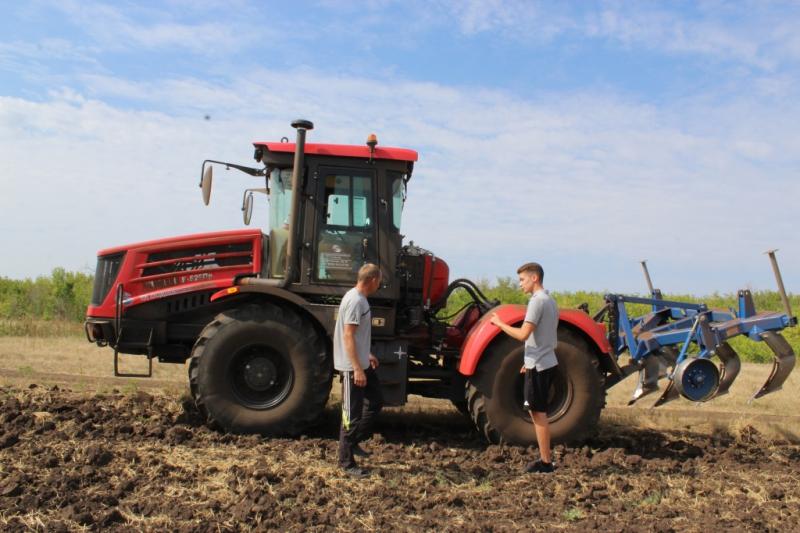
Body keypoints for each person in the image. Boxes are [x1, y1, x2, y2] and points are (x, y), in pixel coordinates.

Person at [490, 262, 558, 474]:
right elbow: (543, 337)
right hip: (543, 361)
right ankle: (545, 460)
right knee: (538, 413)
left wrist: (499, 324)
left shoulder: (537, 302)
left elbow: (522, 335)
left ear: (534, 278)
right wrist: (527, 361)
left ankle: (546, 462)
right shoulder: (550, 300)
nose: (520, 284)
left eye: (522, 279)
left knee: (538, 414)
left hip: (539, 365)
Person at [334, 263, 384, 477]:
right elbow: (348, 335)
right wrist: (356, 368)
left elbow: (357, 336)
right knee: (350, 414)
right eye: (379, 281)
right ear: (372, 280)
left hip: (361, 362)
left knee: (376, 400)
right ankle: (346, 463)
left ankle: (353, 441)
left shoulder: (360, 299)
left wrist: (366, 355)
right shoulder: (355, 300)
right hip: (351, 367)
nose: (379, 285)